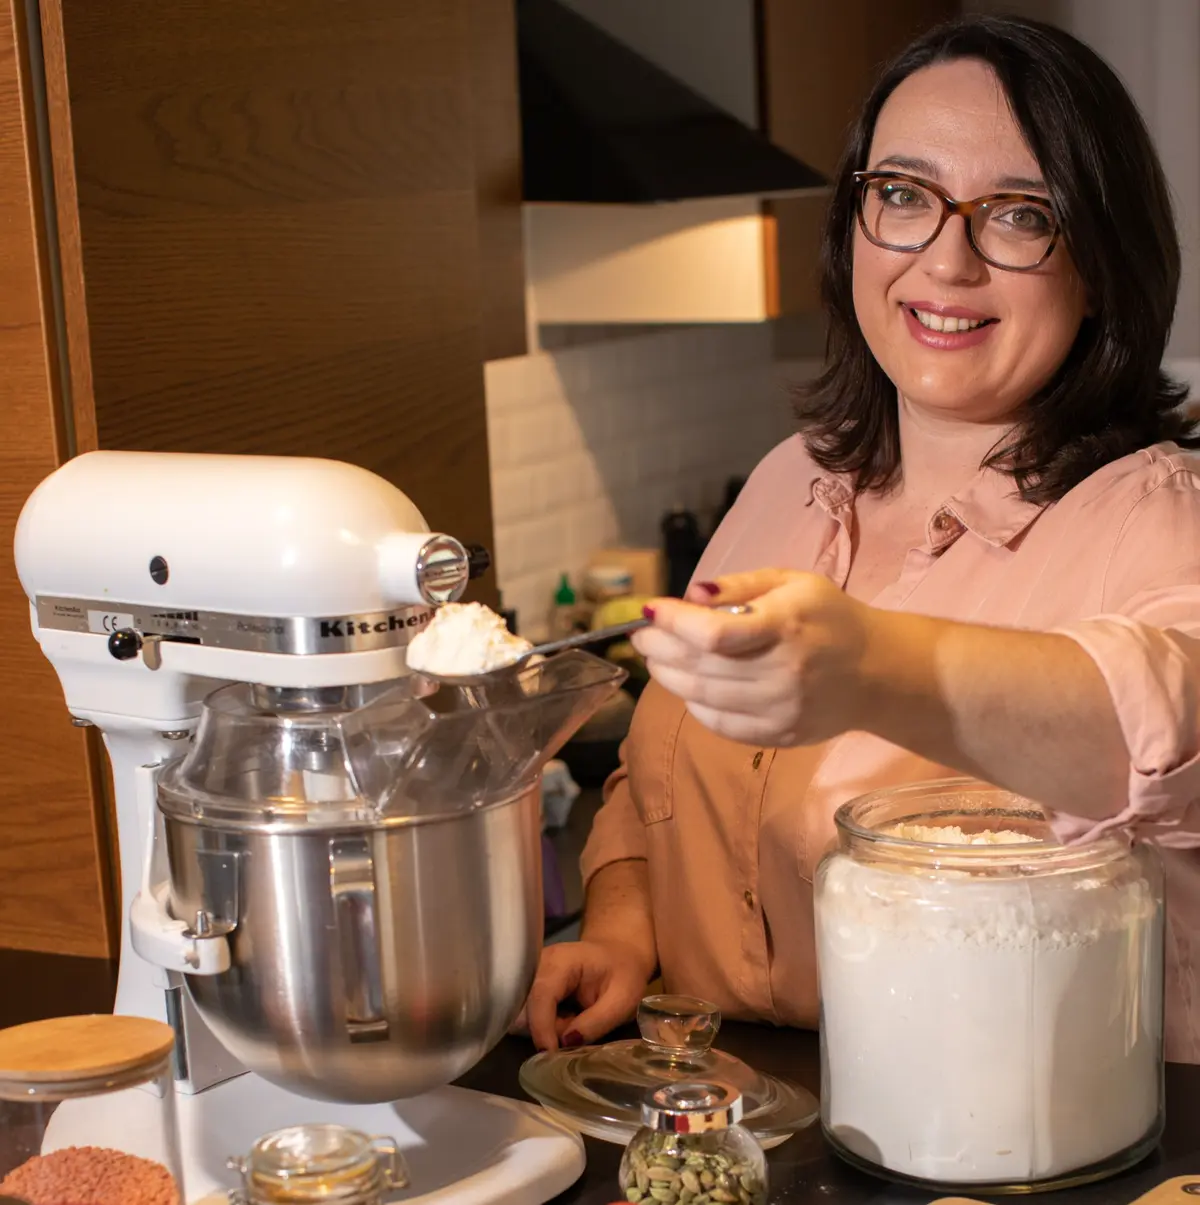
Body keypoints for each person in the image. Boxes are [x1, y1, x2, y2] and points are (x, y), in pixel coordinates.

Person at [514, 13, 1200, 1063]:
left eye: (1019, 215)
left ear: (1101, 261)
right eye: (903, 196)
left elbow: (1166, 726)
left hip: (1044, 1145)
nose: (947, 259)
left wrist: (873, 665)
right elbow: (659, 772)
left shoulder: (1155, 512)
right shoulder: (796, 480)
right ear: (852, 222)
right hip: (738, 1111)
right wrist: (622, 920)